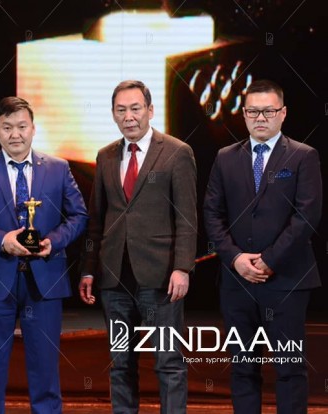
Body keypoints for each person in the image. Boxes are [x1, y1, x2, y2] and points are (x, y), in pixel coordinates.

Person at [0, 96, 88, 414]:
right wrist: (2, 240)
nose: (15, 134)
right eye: (7, 127)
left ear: (33, 129)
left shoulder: (58, 168)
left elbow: (79, 215)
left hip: (45, 279)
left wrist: (53, 241)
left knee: (45, 368)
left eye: (22, 126)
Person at [203, 79, 322, 414]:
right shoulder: (225, 157)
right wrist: (235, 258)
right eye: (253, 111)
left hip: (287, 281)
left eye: (268, 111)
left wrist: (269, 260)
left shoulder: (303, 156)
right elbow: (212, 212)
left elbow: (307, 216)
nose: (260, 118)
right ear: (243, 114)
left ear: (283, 113)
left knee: (289, 368)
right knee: (243, 367)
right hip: (237, 282)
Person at [79, 80, 197, 413]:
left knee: (168, 361)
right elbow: (96, 220)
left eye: (135, 108)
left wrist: (182, 267)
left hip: (161, 278)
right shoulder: (105, 156)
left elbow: (187, 218)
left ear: (150, 110)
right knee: (120, 363)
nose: (128, 116)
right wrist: (88, 269)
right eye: (121, 110)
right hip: (114, 279)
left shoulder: (177, 152)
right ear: (113, 114)